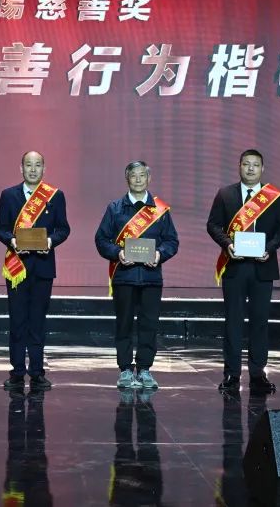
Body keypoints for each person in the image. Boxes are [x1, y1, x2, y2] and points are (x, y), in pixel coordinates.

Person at [206, 149, 280, 394]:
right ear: (239, 166)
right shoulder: (225, 194)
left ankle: (257, 373)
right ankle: (231, 374)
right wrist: (227, 244)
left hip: (263, 267)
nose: (251, 168)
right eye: (246, 164)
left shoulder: (274, 197)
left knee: (259, 322)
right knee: (233, 321)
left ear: (262, 168)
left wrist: (270, 249)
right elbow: (213, 225)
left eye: (255, 165)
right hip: (234, 267)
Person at [95, 161, 179, 390]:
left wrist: (160, 255)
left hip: (151, 278)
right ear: (127, 179)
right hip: (124, 276)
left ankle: (144, 369)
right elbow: (101, 240)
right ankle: (124, 369)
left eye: (142, 175)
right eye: (134, 176)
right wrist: (118, 253)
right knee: (123, 324)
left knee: (149, 325)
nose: (139, 180)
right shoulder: (115, 208)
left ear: (149, 178)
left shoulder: (160, 210)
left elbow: (172, 241)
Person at [0, 150, 70, 391]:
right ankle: (17, 372)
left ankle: (37, 372)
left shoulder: (55, 196)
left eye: (38, 165)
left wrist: (50, 241)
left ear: (44, 169)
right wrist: (12, 241)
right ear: (21, 168)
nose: (33, 169)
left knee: (37, 322)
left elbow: (63, 229)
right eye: (29, 165)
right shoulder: (8, 195)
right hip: (16, 267)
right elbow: (0, 229)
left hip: (43, 268)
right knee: (17, 321)